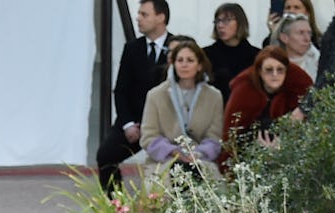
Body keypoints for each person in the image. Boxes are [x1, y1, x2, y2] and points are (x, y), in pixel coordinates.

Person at [95, 0, 171, 194]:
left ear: (161, 17)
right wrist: (128, 123)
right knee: (105, 155)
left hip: (167, 126)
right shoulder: (132, 48)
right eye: (138, 14)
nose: (138, 18)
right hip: (135, 123)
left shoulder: (178, 47)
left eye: (144, 14)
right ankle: (117, 205)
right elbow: (120, 90)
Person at [140, 41, 224, 178]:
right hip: (164, 161)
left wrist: (197, 154)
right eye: (180, 60)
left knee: (211, 184)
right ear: (173, 64)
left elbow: (214, 137)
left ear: (199, 65)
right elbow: (149, 136)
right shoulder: (155, 95)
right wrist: (174, 152)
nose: (184, 65)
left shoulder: (214, 96)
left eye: (190, 60)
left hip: (201, 159)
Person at [223, 46, 312, 162]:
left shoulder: (298, 87)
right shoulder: (244, 90)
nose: (275, 74)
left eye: (280, 70)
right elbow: (231, 134)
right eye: (269, 70)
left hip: (290, 151)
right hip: (249, 154)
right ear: (260, 71)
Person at [203, 3, 258, 106]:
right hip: (215, 110)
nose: (220, 25)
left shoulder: (256, 55)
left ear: (240, 23)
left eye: (226, 20)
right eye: (217, 21)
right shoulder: (206, 54)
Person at [277, 13, 320, 80]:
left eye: (309, 33)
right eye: (301, 33)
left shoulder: (319, 64)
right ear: (284, 38)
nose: (307, 38)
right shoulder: (273, 65)